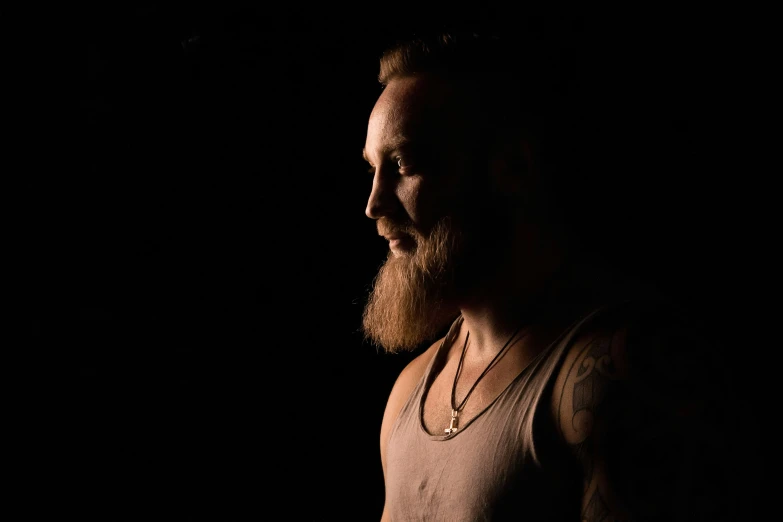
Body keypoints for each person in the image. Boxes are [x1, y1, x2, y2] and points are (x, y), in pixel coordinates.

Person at [360, 30, 746, 521]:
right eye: (372, 168)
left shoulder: (613, 372)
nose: (374, 204)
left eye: (403, 164)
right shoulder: (408, 395)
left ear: (512, 168)